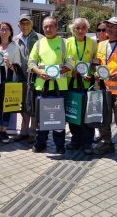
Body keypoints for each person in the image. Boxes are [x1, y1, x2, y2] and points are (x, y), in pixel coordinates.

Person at [28, 17, 74, 154]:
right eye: (45, 26)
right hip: (41, 86)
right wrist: (39, 73)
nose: (48, 29)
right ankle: (41, 142)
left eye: (51, 26)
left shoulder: (64, 43)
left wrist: (58, 72)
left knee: (59, 118)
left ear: (56, 27)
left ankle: (60, 144)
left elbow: (70, 64)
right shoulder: (38, 43)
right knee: (42, 117)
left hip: (60, 87)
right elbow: (31, 63)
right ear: (42, 28)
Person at [93, 17, 117, 162]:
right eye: (107, 25)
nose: (108, 28)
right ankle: (108, 143)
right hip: (104, 89)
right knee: (103, 119)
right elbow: (98, 62)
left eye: (112, 26)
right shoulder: (101, 45)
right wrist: (96, 72)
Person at [65, 18, 97, 154]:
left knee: (87, 114)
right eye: (77, 28)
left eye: (83, 28)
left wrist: (90, 73)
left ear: (87, 29)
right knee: (73, 112)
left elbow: (95, 62)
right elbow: (64, 62)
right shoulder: (67, 43)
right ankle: (75, 138)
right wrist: (72, 73)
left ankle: (88, 142)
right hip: (71, 82)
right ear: (73, 29)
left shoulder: (92, 43)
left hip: (87, 84)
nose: (80, 30)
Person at [12, 14, 44, 144]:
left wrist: (36, 68)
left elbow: (43, 57)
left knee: (34, 103)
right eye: (22, 23)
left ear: (32, 24)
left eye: (27, 23)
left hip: (35, 76)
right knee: (23, 104)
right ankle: (23, 130)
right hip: (20, 76)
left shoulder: (40, 38)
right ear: (19, 25)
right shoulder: (15, 39)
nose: (25, 26)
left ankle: (32, 131)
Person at [0, 22, 21, 143]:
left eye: (6, 29)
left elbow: (18, 66)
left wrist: (10, 64)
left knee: (7, 106)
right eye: (1, 29)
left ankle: (4, 130)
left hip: (9, 81)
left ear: (10, 32)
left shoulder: (14, 47)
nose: (4, 31)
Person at [94, 21, 108, 143]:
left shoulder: (112, 44)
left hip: (110, 82)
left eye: (104, 30)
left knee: (107, 109)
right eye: (99, 30)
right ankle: (98, 132)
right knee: (97, 107)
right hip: (96, 81)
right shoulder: (94, 45)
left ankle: (107, 134)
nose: (101, 32)